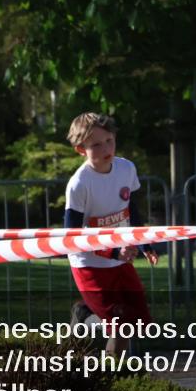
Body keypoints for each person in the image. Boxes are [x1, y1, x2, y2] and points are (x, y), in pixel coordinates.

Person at [64, 112, 158, 355]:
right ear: (80, 149)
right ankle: (84, 318)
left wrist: (145, 244)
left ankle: (114, 374)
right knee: (118, 325)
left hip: (120, 259)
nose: (106, 148)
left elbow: (132, 210)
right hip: (89, 263)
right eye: (96, 144)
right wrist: (113, 250)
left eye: (109, 140)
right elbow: (72, 236)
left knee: (136, 321)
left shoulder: (126, 168)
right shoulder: (79, 184)